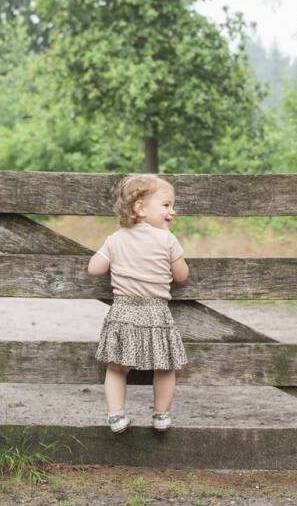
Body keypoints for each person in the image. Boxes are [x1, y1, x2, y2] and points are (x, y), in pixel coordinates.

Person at [87, 174, 189, 433]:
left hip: (123, 311)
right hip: (155, 312)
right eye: (166, 205)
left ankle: (116, 416)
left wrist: (113, 254)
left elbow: (94, 268)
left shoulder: (116, 239)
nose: (172, 212)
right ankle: (161, 415)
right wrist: (170, 248)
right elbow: (182, 276)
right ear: (140, 208)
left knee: (117, 367)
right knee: (165, 366)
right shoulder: (167, 240)